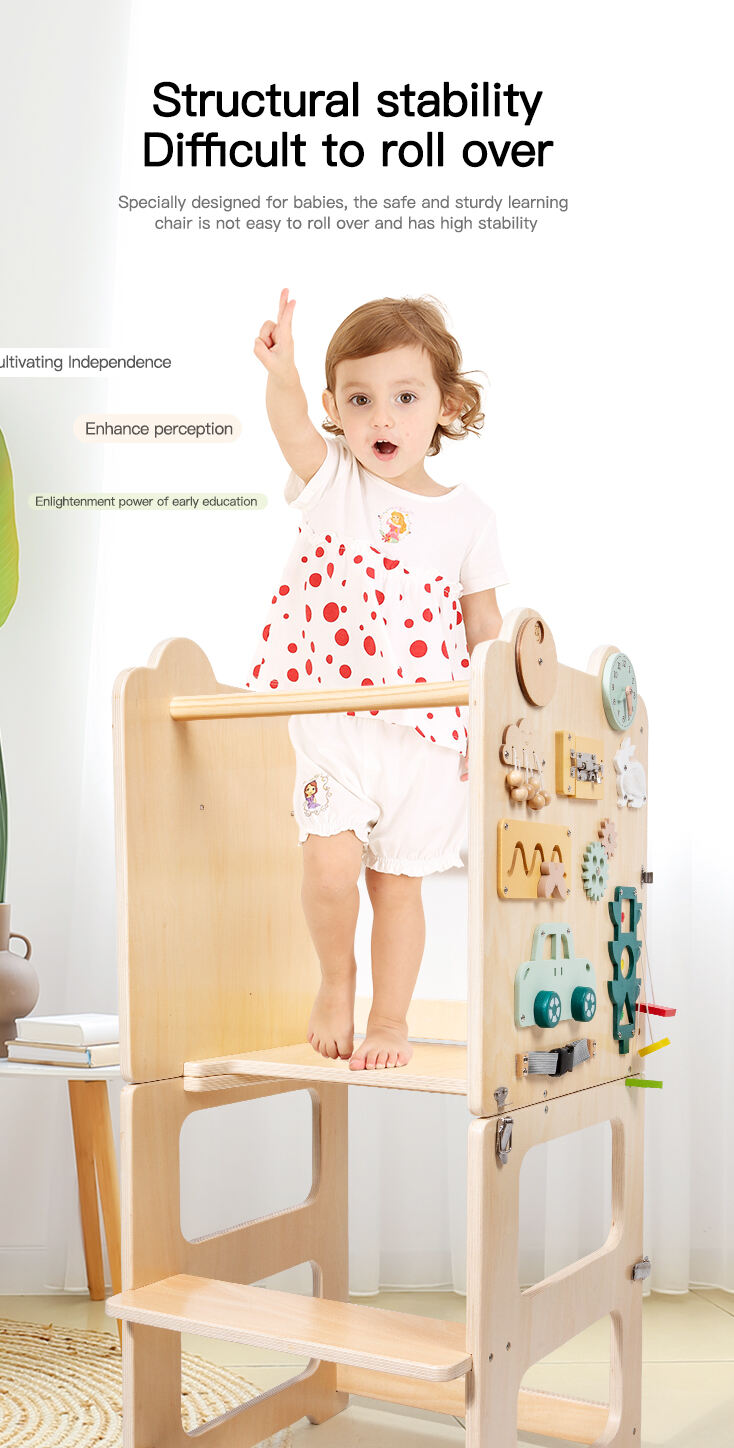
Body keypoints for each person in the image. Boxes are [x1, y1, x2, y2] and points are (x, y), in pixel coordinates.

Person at [245, 290, 507, 1071]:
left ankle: (390, 1020)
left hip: (427, 735)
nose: (380, 419)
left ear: (446, 405)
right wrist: (280, 370)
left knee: (399, 886)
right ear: (335, 407)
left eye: (404, 397)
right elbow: (291, 428)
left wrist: (496, 722)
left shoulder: (468, 517)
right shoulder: (335, 486)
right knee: (329, 864)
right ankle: (337, 978)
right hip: (337, 720)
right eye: (359, 401)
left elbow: (485, 627)